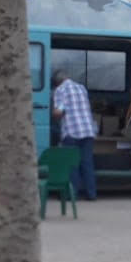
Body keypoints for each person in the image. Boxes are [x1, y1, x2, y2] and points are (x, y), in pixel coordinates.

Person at [52, 69, 98, 201]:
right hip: (88, 130)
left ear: (57, 82)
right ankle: (91, 194)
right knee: (87, 163)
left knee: (72, 164)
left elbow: (59, 111)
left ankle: (72, 195)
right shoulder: (81, 88)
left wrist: (53, 113)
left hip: (72, 132)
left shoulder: (60, 90)